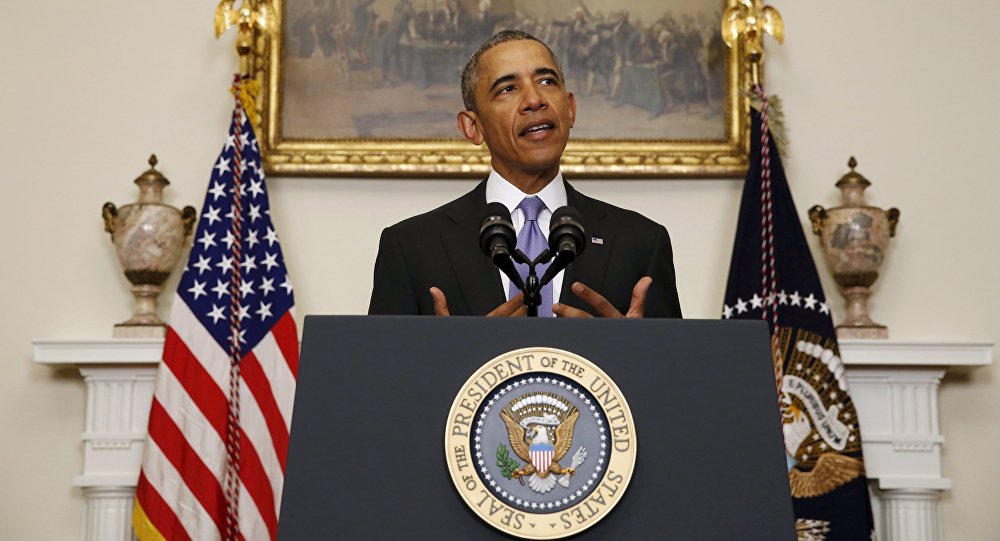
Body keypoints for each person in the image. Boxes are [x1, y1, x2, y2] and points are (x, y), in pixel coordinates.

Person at [368, 30, 682, 319]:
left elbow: (676, 374)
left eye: (547, 82)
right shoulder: (411, 247)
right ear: (472, 127)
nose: (534, 100)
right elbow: (381, 375)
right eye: (508, 88)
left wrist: (630, 350)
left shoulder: (641, 242)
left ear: (570, 109)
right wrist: (456, 354)